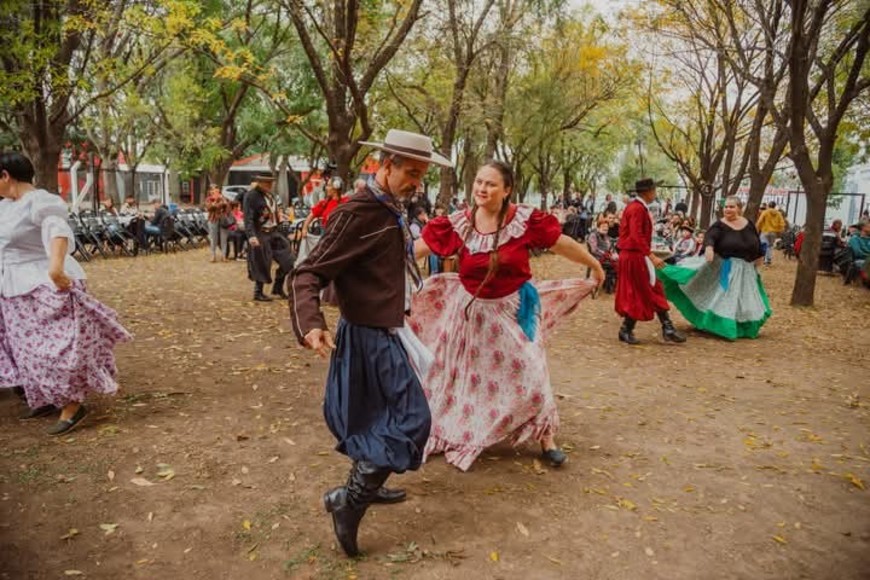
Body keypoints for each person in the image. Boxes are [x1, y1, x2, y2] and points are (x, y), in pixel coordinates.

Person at [289, 129, 450, 557]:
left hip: (388, 328)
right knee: (414, 420)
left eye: (422, 175)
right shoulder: (357, 212)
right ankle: (348, 502)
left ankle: (368, 486)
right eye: (411, 173)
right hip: (368, 336)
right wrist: (310, 323)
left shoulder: (391, 205)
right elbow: (307, 273)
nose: (417, 182)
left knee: (378, 415)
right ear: (385, 166)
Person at [410, 160, 604, 472]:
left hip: (512, 311)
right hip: (470, 314)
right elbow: (420, 248)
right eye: (478, 182)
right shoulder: (460, 222)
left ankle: (546, 439)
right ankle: (458, 427)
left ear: (507, 189)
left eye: (490, 184)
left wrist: (593, 263)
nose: (482, 189)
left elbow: (561, 244)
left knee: (532, 372)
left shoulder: (525, 220)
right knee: (459, 377)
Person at [0, 152, 132, 434]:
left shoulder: (39, 201)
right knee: (26, 352)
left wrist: (56, 269)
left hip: (44, 285)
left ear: (5, 175)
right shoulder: (5, 207)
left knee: (58, 350)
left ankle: (73, 404)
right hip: (13, 289)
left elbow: (57, 231)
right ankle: (47, 397)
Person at [657, 196, 771, 340]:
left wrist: (759, 256)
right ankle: (723, 328)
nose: (728, 209)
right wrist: (709, 248)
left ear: (739, 209)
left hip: (745, 268)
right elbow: (710, 237)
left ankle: (741, 326)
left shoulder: (748, 224)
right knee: (725, 298)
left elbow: (755, 241)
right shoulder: (719, 225)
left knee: (743, 298)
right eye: (726, 207)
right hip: (725, 266)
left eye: (731, 207)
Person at [614, 178, 686, 345]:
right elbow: (636, 235)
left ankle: (665, 328)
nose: (655, 193)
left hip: (636, 254)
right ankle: (629, 329)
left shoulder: (637, 207)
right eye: (654, 190)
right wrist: (651, 255)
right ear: (647, 192)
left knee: (651, 289)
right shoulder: (637, 209)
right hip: (634, 256)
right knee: (645, 290)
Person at [243, 175, 294, 302]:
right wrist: (251, 236)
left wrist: (285, 228)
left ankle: (277, 287)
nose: (269, 185)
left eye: (271, 182)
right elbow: (248, 217)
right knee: (262, 262)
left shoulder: (270, 195)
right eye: (266, 182)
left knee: (288, 260)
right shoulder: (251, 196)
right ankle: (258, 292)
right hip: (260, 232)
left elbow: (275, 214)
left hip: (274, 232)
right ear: (259, 182)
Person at [205, 185, 230, 262]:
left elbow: (228, 207)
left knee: (224, 238)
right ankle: (213, 256)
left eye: (216, 190)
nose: (215, 191)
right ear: (210, 192)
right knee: (213, 239)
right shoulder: (208, 199)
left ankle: (224, 256)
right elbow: (209, 208)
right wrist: (217, 202)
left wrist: (221, 201)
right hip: (213, 219)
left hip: (223, 220)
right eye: (213, 190)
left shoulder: (223, 198)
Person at [756, 201, 785, 266]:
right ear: (775, 206)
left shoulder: (765, 212)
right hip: (773, 232)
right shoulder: (778, 213)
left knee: (764, 245)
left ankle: (766, 260)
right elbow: (782, 223)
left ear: (768, 206)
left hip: (765, 231)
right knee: (770, 246)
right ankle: (768, 260)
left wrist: (758, 228)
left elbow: (760, 221)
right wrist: (779, 230)